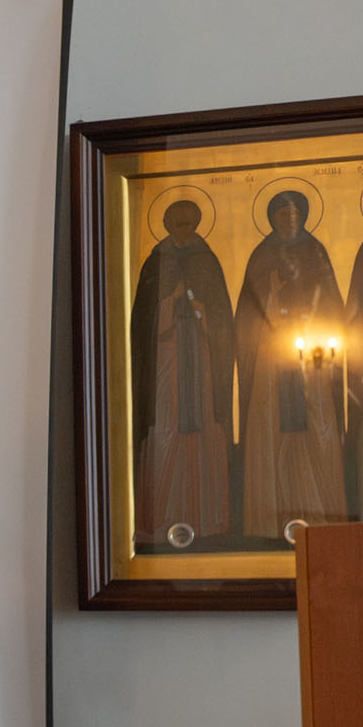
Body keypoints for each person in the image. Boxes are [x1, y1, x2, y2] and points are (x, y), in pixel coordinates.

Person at [235, 189, 346, 540]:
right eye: (283, 214)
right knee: (272, 428)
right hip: (271, 358)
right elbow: (248, 313)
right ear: (272, 218)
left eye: (295, 213)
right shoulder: (261, 255)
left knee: (318, 424)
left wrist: (311, 313)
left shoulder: (316, 251)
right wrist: (274, 295)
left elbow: (331, 303)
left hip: (313, 357)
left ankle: (324, 513)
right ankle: (270, 518)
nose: (290, 219)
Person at [129, 199, 234, 547]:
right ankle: (162, 518)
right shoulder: (156, 263)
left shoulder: (207, 260)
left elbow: (222, 318)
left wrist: (203, 311)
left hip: (202, 360)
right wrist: (170, 302)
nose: (185, 229)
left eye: (190, 223)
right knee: (166, 425)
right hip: (166, 359)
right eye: (179, 223)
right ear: (168, 225)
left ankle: (208, 520)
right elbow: (142, 322)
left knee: (203, 429)